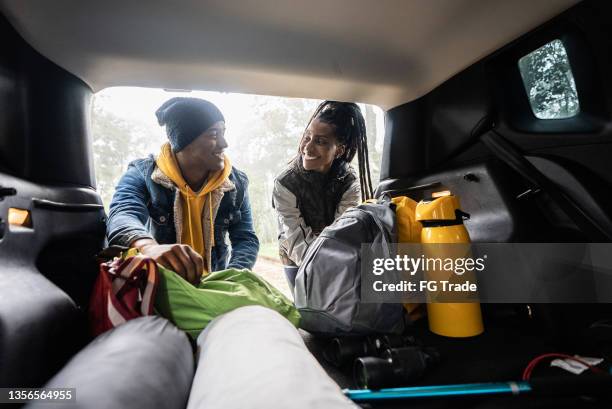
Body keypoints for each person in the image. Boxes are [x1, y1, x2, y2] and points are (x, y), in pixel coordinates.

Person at [107, 97, 259, 284]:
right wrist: (149, 247)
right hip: (161, 286)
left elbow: (245, 238)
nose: (224, 143)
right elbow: (122, 215)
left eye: (223, 133)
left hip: (215, 284)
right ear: (184, 142)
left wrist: (230, 281)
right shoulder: (142, 174)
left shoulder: (237, 183)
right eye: (213, 134)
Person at [272, 101, 373, 291]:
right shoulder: (284, 183)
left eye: (320, 141)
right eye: (307, 137)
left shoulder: (349, 182)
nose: (307, 148)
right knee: (307, 310)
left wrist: (335, 266)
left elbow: (343, 233)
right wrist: (320, 268)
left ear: (339, 150)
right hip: (296, 256)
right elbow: (294, 236)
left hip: (335, 256)